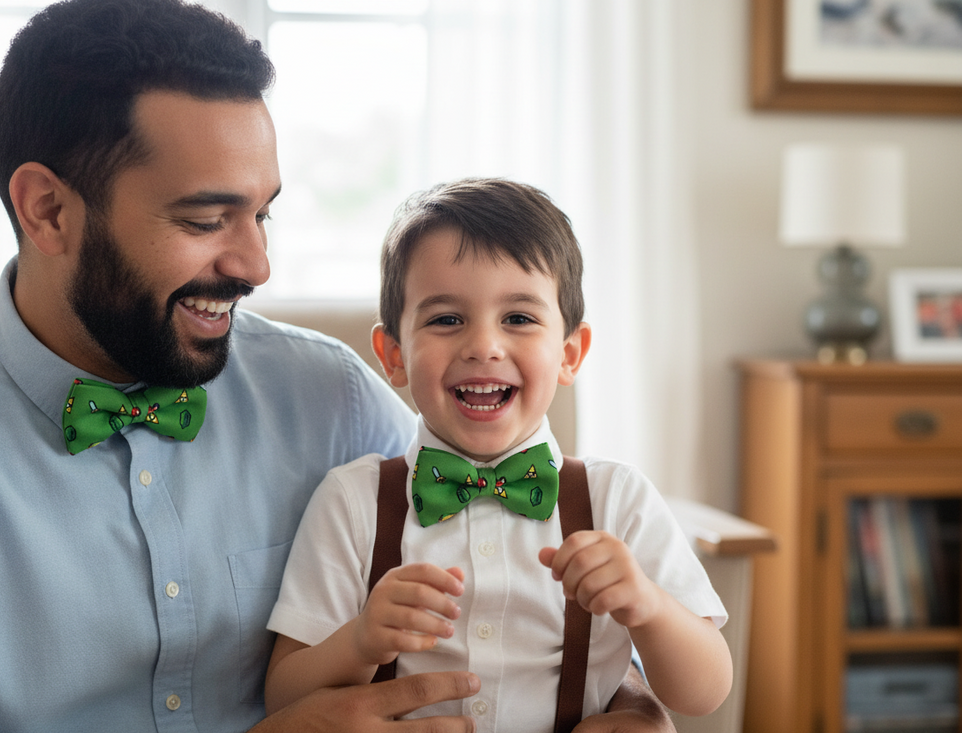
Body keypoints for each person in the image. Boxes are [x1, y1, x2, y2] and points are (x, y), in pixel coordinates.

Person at [0, 1, 676, 731]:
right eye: (206, 218)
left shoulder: (332, 397)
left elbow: (515, 593)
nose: (256, 265)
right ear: (48, 210)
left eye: (262, 214)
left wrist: (631, 704)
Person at [265, 178, 734, 731]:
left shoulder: (618, 499)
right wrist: (359, 640)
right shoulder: (352, 501)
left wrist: (649, 606)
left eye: (518, 318)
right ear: (393, 355)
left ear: (570, 353)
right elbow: (284, 698)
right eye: (446, 319)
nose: (483, 346)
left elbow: (705, 692)